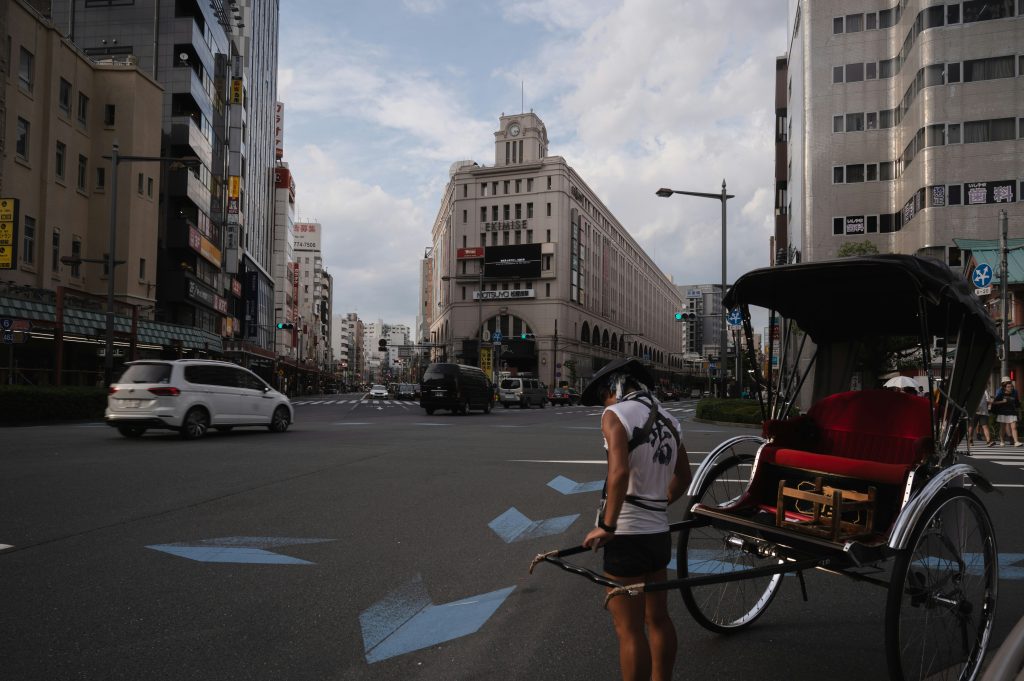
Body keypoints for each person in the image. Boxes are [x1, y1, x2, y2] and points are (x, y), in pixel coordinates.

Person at [580, 358, 691, 681]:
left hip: (626, 535)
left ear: (613, 388)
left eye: (604, 397)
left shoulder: (615, 415)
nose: (604, 404)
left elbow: (618, 473)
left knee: (628, 630)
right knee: (658, 619)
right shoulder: (670, 420)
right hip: (658, 535)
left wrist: (608, 525)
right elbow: (683, 477)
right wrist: (656, 504)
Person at [991, 377, 1022, 447]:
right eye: (1008, 386)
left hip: (1012, 412)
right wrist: (1003, 401)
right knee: (1003, 428)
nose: (1010, 387)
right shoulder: (1000, 392)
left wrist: (1019, 412)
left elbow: (1017, 403)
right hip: (1002, 412)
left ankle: (1016, 442)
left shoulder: (1014, 392)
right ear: (1004, 386)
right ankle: (1002, 441)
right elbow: (994, 402)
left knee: (1014, 427)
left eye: (1010, 385)